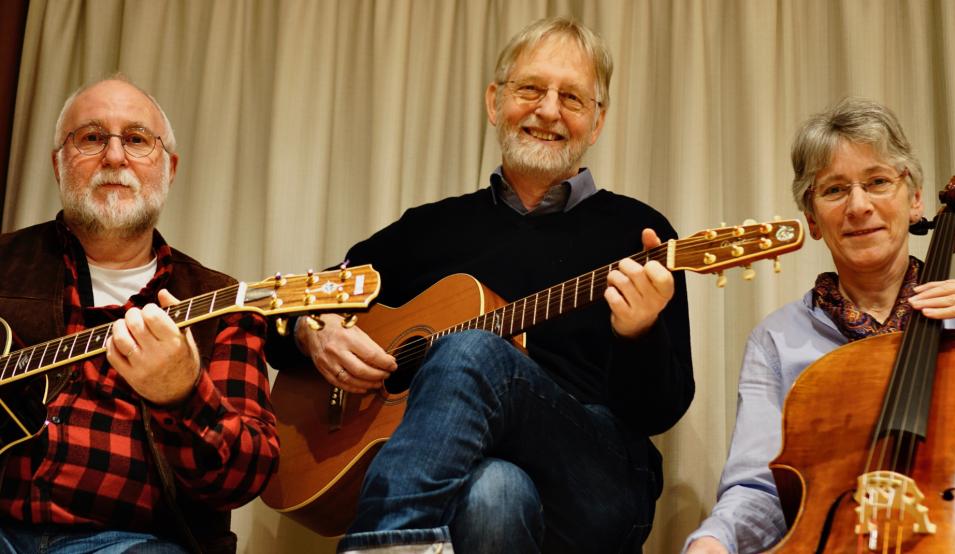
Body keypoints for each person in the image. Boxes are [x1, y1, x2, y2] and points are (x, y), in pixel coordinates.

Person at [273, 16, 694, 553]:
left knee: (473, 348)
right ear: (495, 101)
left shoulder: (640, 234)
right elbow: (277, 310)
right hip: (474, 483)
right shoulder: (427, 229)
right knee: (492, 492)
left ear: (598, 120)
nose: (547, 111)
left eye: (572, 98)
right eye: (530, 89)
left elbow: (661, 411)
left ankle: (380, 542)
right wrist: (315, 330)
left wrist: (641, 335)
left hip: (597, 478)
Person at [683, 97, 955, 554]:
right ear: (812, 220)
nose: (858, 206)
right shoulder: (777, 341)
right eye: (834, 190)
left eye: (878, 182)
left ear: (916, 199)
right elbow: (759, 491)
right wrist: (712, 542)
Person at [0, 76, 279, 553]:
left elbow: (246, 476)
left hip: (132, 542)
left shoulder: (223, 302)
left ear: (169, 168)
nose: (114, 157)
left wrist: (185, 396)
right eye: (90, 138)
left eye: (135, 139)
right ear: (57, 164)